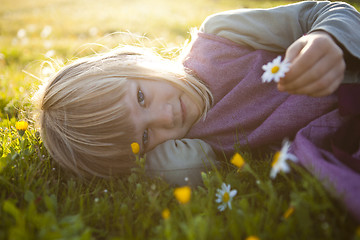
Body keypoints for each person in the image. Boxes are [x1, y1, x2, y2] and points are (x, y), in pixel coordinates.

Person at [36, 1, 360, 221]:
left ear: (132, 63)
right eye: (146, 136)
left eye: (140, 97)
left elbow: (329, 12)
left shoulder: (220, 39)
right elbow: (182, 167)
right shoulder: (195, 146)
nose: (166, 118)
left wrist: (327, 38)